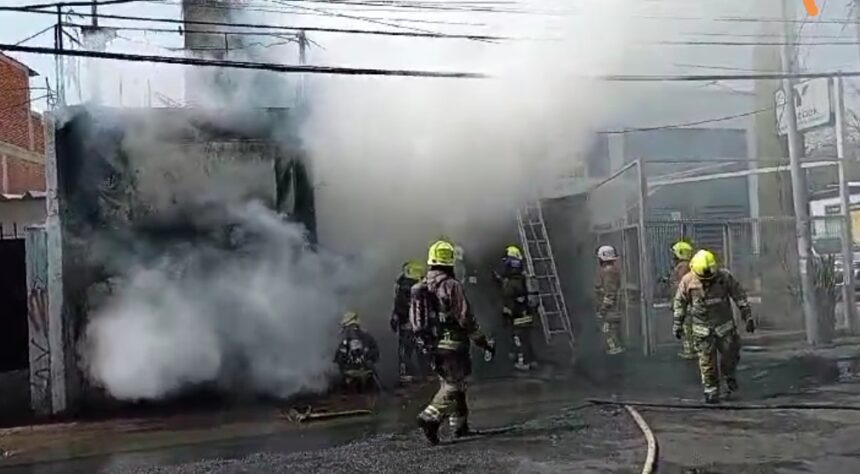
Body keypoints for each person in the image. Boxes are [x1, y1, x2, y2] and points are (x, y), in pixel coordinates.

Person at [411, 239, 495, 445]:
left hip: (432, 346)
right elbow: (465, 318)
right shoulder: (451, 285)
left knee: (454, 385)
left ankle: (460, 427)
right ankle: (430, 416)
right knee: (454, 384)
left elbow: (418, 323)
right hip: (453, 344)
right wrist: (482, 341)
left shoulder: (421, 286)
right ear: (450, 262)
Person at [673, 250, 755, 404]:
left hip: (725, 327)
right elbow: (680, 303)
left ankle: (729, 376)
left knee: (731, 356)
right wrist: (678, 323)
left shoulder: (724, 277)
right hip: (702, 329)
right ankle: (711, 390)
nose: (707, 282)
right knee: (707, 361)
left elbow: (739, 295)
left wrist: (747, 315)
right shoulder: (687, 281)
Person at [493, 244, 539, 370]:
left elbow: (509, 301)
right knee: (527, 339)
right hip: (527, 314)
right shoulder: (523, 279)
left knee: (519, 339)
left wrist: (505, 316)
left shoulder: (511, 283)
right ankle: (532, 360)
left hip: (517, 316)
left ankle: (523, 362)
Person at [390, 259, 428, 384]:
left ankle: (411, 373)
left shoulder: (402, 285)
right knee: (416, 349)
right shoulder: (409, 286)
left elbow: (398, 305)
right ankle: (419, 373)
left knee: (410, 349)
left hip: (410, 323)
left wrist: (395, 318)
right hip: (412, 323)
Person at [333, 311, 380, 393]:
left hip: (363, 374)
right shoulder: (346, 341)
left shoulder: (366, 338)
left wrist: (366, 358)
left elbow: (375, 354)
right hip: (353, 375)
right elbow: (338, 358)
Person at [594, 245, 625, 355]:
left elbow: (610, 294)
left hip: (610, 311)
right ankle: (616, 350)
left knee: (609, 333)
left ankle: (615, 352)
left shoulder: (608, 272)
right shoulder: (611, 271)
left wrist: (602, 310)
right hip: (612, 309)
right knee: (612, 332)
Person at [670, 240, 697, 360]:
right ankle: (693, 349)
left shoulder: (683, 267)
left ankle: (690, 351)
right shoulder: (688, 265)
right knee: (689, 326)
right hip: (688, 301)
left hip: (686, 303)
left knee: (687, 327)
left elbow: (681, 285)